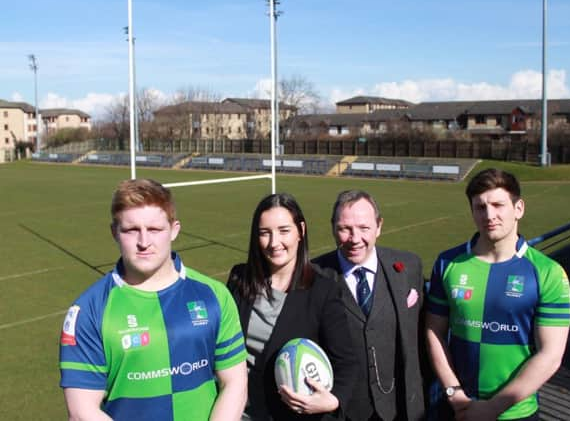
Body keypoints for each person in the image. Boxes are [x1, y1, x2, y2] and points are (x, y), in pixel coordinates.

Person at [59, 178, 248, 421]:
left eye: (155, 230)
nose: (144, 242)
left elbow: (235, 382)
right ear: (115, 232)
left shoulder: (214, 295)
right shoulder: (89, 310)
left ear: (175, 230)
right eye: (131, 230)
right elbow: (81, 411)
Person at [425, 168, 570, 421]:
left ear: (518, 209)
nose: (489, 215)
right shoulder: (448, 263)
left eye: (497, 205)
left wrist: (491, 409)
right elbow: (434, 331)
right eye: (480, 207)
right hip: (457, 408)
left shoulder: (548, 272)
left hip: (516, 413)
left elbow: (550, 355)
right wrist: (455, 393)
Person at [227, 193, 357, 421]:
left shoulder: (322, 291)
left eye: (284, 231)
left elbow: (347, 361)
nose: (274, 242)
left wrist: (334, 400)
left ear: (301, 231)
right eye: (265, 233)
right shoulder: (240, 279)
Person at [312, 190, 426, 421]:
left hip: (401, 409)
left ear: (379, 226)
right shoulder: (313, 275)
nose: (355, 239)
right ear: (333, 227)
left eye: (364, 228)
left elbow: (422, 339)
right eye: (345, 229)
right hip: (342, 411)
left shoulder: (409, 267)